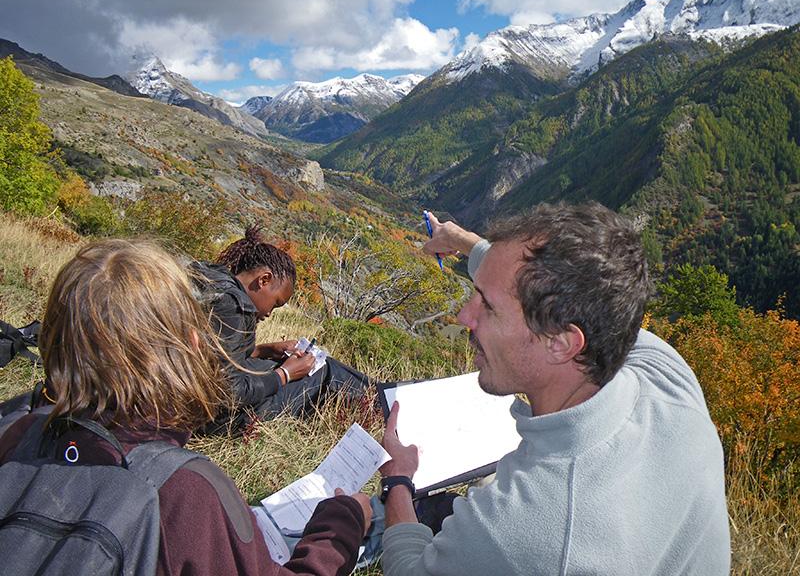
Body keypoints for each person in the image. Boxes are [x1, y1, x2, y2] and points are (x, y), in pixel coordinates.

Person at [378, 204, 731, 575]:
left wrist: (398, 480)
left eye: (488, 306)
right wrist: (463, 242)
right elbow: (574, 296)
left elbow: (408, 570)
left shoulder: (517, 527)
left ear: (561, 343)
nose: (465, 316)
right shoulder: (665, 372)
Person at [0, 239, 372, 575]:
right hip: (223, 420)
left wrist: (259, 351)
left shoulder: (14, 426)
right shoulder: (188, 491)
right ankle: (378, 398)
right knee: (325, 375)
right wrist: (341, 523)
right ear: (189, 349)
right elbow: (224, 388)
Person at [191, 226, 370, 432]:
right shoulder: (232, 306)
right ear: (264, 280)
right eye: (276, 304)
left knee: (300, 365)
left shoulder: (214, 280)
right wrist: (284, 374)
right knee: (322, 370)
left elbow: (218, 357)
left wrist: (266, 350)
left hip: (195, 404)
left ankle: (378, 396)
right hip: (215, 420)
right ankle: (381, 400)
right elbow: (227, 393)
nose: (269, 313)